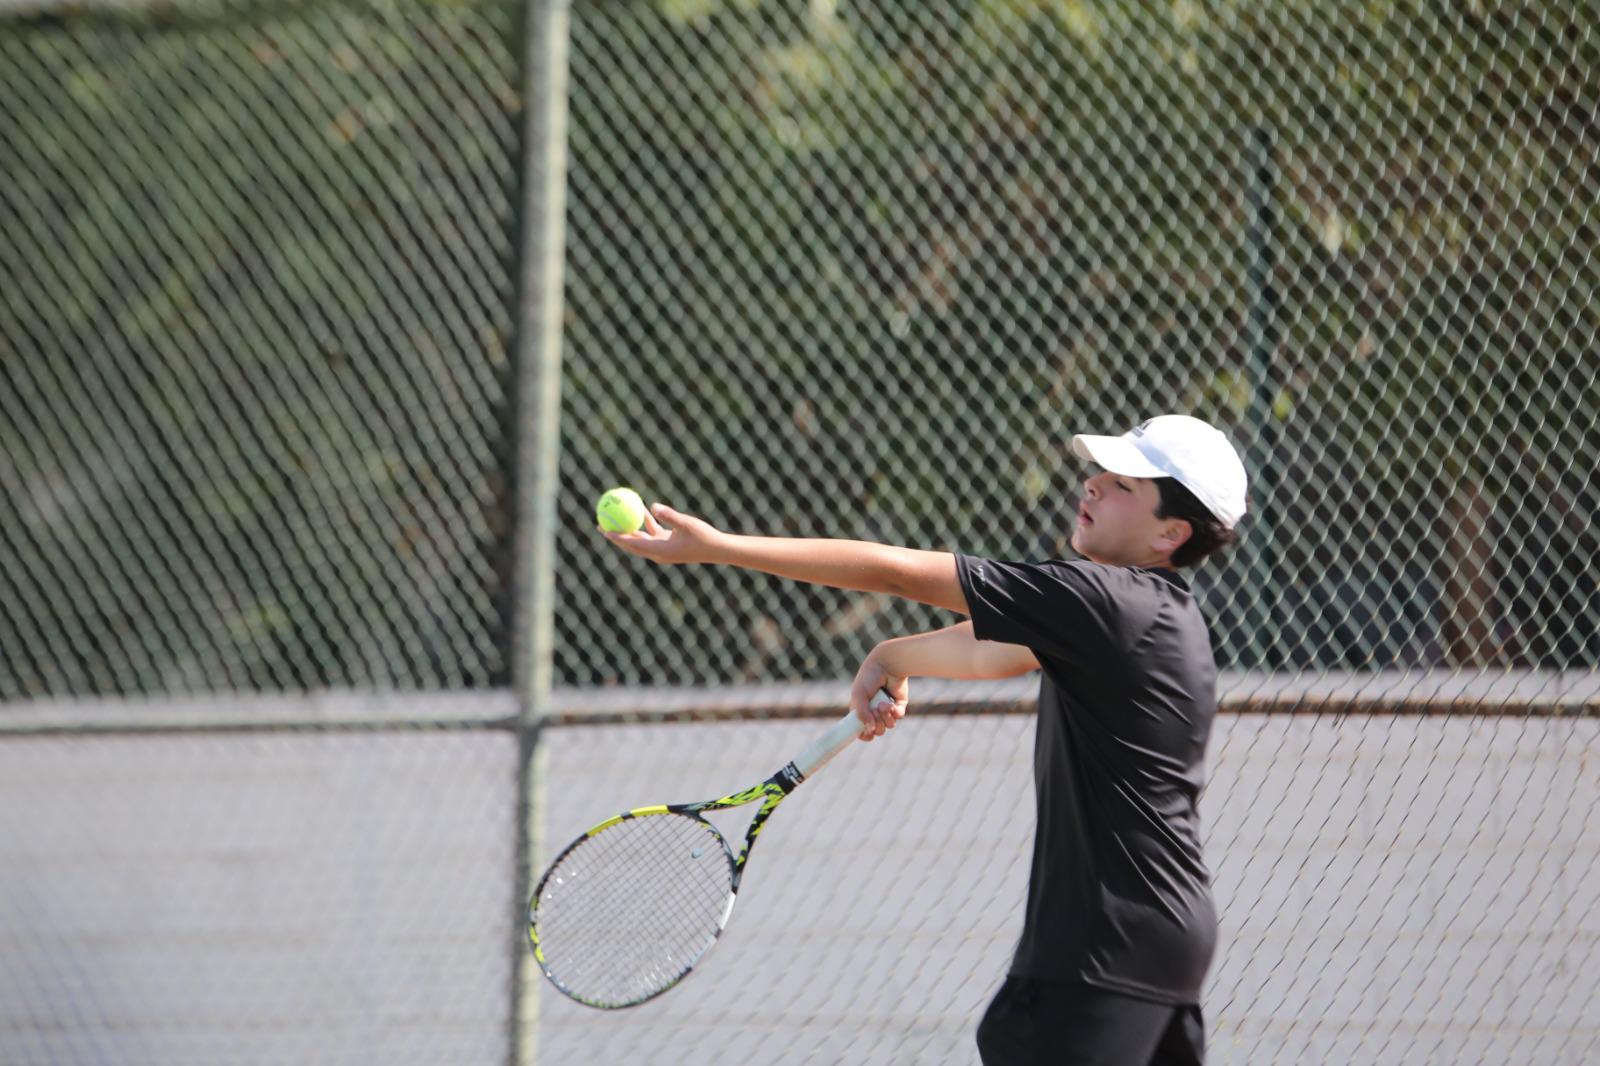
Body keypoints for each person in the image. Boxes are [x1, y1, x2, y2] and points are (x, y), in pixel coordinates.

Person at [601, 413, 1249, 1066]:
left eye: (1122, 487)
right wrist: (893, 656)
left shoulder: (1109, 601)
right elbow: (1001, 653)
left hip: (1101, 949)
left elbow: (898, 574)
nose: (1092, 487)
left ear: (1171, 532)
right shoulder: (1160, 615)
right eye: (1100, 474)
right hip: (1165, 939)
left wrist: (719, 548)